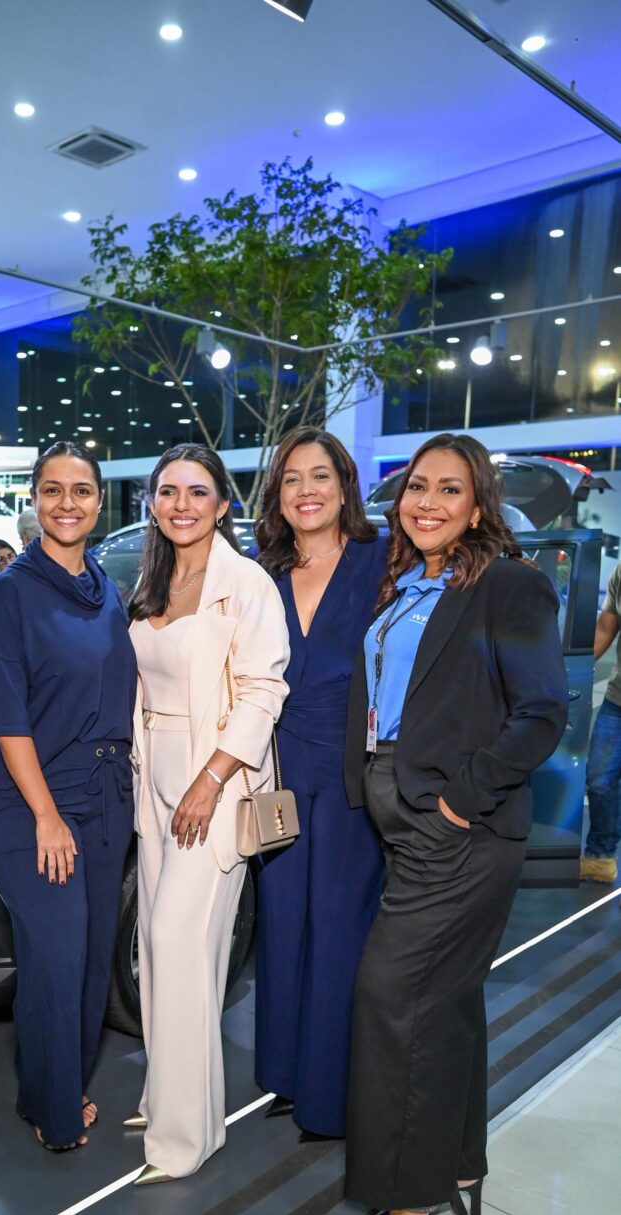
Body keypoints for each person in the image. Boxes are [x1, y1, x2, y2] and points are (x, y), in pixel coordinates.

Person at [343, 432, 568, 1215]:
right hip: (400, 815)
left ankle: (411, 1192)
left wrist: (458, 805)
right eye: (415, 488)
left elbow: (541, 711)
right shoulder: (402, 584)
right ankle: (458, 1160)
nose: (426, 503)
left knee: (391, 997)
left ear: (477, 505)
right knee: (444, 1002)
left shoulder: (507, 586)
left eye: (447, 490)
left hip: (458, 830)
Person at [0, 442, 135, 1152]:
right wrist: (46, 817)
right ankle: (52, 1110)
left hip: (105, 797)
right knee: (56, 959)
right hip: (31, 804)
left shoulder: (106, 588)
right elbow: (5, 718)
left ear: (100, 502)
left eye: (83, 491)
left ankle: (59, 1085)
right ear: (33, 499)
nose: (68, 503)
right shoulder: (12, 591)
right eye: (53, 489)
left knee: (94, 958)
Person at [126, 444, 289, 1184]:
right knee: (158, 953)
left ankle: (185, 1139)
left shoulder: (246, 582)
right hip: (149, 781)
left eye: (197, 492)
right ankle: (165, 1096)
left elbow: (263, 690)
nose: (181, 504)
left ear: (224, 504)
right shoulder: (152, 574)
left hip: (210, 789)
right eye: (168, 492)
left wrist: (209, 779)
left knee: (180, 945)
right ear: (153, 502)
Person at [253, 427, 385, 1139]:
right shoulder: (260, 568)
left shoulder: (381, 557)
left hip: (351, 772)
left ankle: (329, 1094)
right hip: (274, 768)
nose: (305, 491)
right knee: (281, 925)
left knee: (338, 928)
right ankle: (286, 1072)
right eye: (291, 479)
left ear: (344, 486)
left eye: (319, 477)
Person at [579, 558, 621, 882]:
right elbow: (607, 627)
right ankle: (600, 856)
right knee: (598, 780)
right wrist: (570, 668)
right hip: (617, 701)